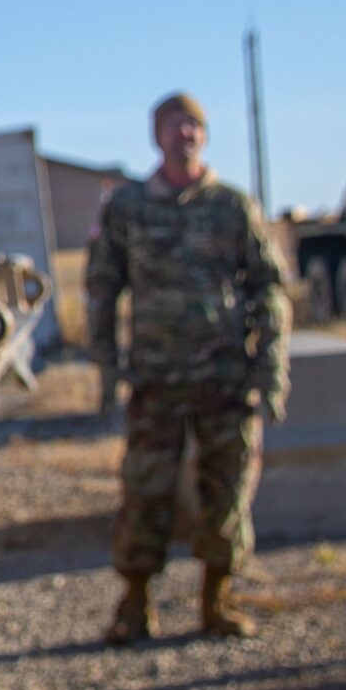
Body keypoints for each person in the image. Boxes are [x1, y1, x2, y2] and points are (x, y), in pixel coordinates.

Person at [85, 91, 288, 646]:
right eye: (175, 126)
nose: (186, 135)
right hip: (156, 378)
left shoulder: (231, 206)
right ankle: (134, 603)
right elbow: (103, 287)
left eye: (194, 125)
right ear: (157, 136)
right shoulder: (128, 207)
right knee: (145, 489)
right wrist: (107, 367)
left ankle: (216, 598)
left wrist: (269, 366)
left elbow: (269, 288)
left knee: (226, 488)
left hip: (224, 377)